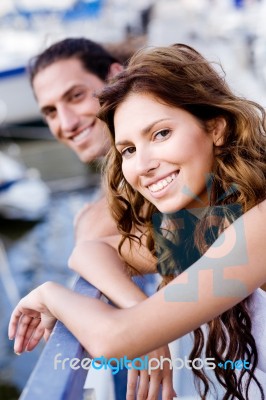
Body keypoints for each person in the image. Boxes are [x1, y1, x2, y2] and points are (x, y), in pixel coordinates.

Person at [9, 44, 266, 399]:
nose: (142, 165)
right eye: (128, 149)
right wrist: (136, 307)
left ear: (216, 128)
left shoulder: (260, 225)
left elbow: (113, 339)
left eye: (161, 134)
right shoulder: (209, 227)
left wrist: (51, 294)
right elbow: (91, 251)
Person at [27, 37, 170, 399]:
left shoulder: (169, 184)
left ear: (115, 78)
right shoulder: (105, 203)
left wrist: (145, 328)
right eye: (50, 112)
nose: (67, 123)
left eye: (75, 96)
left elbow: (90, 240)